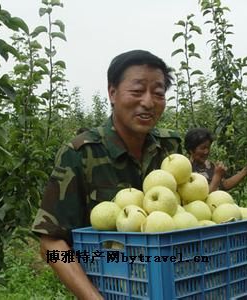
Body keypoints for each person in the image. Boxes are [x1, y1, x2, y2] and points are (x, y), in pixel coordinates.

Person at [32, 50, 183, 299]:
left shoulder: (170, 149)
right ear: (112, 93)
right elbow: (50, 244)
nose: (148, 102)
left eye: (158, 93)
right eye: (137, 91)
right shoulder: (81, 154)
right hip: (111, 288)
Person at [184, 128, 247, 192]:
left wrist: (245, 172)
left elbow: (224, 185)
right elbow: (204, 198)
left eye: (208, 148)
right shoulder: (186, 169)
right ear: (191, 150)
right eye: (203, 148)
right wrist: (217, 176)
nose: (206, 152)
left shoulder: (210, 166)